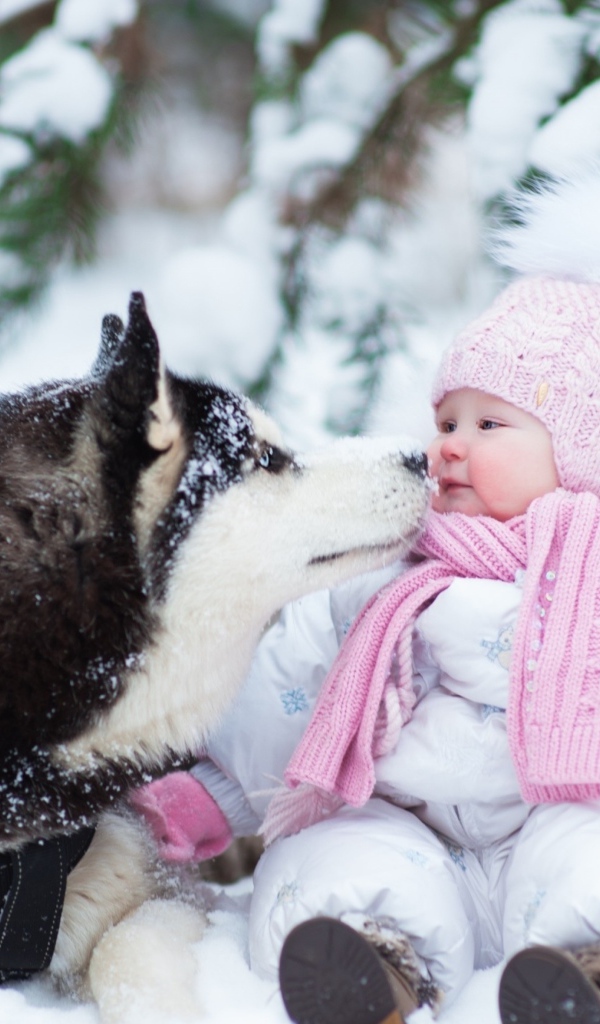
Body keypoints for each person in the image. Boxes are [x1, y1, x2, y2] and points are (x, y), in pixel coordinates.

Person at [132, 275, 600, 1024]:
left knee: (591, 856)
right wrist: (213, 788)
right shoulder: (390, 563)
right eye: (446, 419)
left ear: (576, 453)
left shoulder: (592, 572)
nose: (450, 444)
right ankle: (375, 967)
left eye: (489, 426)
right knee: (333, 851)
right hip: (410, 825)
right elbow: (300, 682)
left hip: (553, 817)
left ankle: (582, 974)